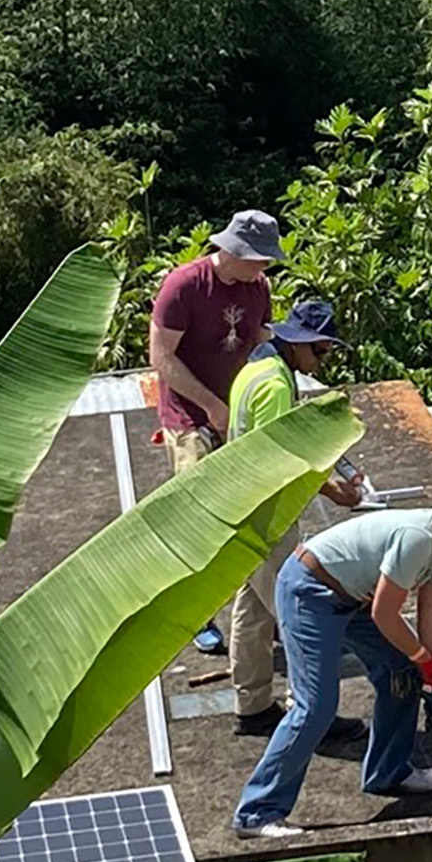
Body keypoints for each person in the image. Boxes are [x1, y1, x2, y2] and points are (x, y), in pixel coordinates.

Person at [233, 485, 432, 838]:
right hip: (309, 591)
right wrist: (422, 656)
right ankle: (256, 813)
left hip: (351, 598)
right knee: (315, 707)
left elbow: (429, 619)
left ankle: (389, 772)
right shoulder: (418, 539)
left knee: (402, 671)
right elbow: (385, 614)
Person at [221, 296, 373, 737]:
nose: (322, 362)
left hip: (244, 510)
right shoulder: (276, 384)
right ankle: (310, 716)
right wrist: (332, 489)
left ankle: (252, 706)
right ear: (298, 344)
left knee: (252, 611)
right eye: (320, 351)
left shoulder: (256, 370)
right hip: (267, 516)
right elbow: (278, 456)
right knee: (298, 615)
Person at [150, 210, 280, 656]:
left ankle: (263, 608)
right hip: (189, 412)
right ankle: (196, 615)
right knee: (197, 517)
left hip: (236, 409)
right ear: (233, 251)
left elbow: (259, 336)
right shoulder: (184, 286)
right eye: (258, 259)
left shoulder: (258, 287)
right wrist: (209, 405)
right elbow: (161, 357)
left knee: (248, 512)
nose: (264, 269)